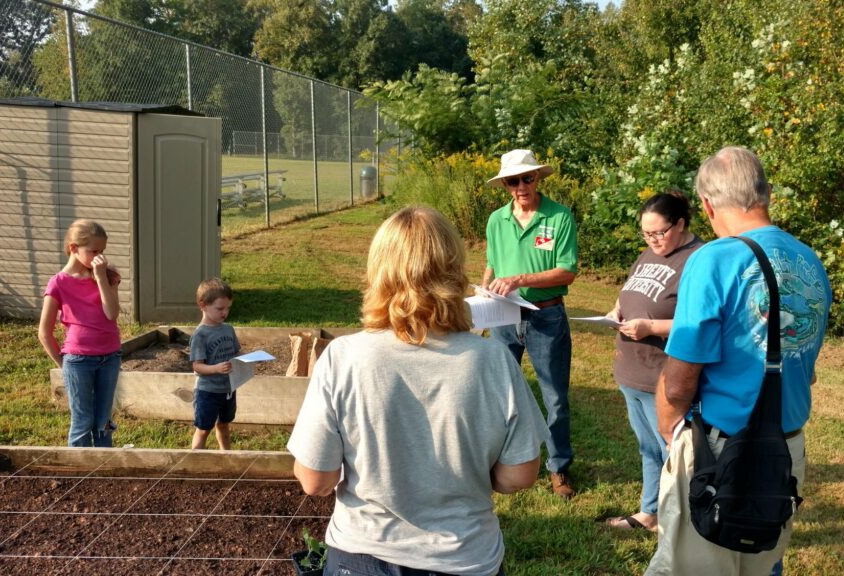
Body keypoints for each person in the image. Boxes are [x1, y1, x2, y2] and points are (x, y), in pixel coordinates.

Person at [288, 206, 548, 576]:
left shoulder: (343, 357)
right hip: (466, 557)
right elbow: (519, 476)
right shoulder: (494, 360)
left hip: (362, 556)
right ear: (454, 271)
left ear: (378, 272)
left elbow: (315, 480)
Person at [645, 147, 831, 575]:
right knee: (762, 564)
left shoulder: (713, 259)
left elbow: (678, 381)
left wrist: (671, 432)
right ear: (765, 193)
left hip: (721, 452)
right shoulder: (810, 260)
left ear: (707, 206)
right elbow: (808, 366)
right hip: (786, 450)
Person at [603, 191, 703, 532]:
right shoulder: (649, 253)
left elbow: (700, 320)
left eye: (659, 232)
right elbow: (630, 290)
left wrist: (651, 327)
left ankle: (680, 521)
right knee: (648, 448)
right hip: (631, 371)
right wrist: (616, 310)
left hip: (663, 375)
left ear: (680, 224)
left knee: (673, 455)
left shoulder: (698, 259)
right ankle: (650, 512)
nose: (652, 240)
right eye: (646, 234)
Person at [482, 149, 579, 499]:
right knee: (496, 393)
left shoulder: (559, 217)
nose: (521, 186)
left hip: (546, 316)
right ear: (505, 185)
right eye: (513, 180)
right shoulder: (497, 220)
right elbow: (492, 264)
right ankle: (496, 460)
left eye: (527, 178)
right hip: (503, 316)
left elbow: (567, 270)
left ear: (539, 178)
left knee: (554, 396)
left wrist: (520, 277)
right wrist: (484, 299)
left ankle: (559, 468)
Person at [38, 219, 122, 447]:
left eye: (102, 251)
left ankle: (103, 471)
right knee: (83, 420)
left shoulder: (106, 276)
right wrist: (63, 365)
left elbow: (111, 313)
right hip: (78, 360)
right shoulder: (58, 283)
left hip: (110, 357)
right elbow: (44, 332)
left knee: (103, 420)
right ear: (74, 248)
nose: (100, 257)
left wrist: (102, 278)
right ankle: (79, 473)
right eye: (94, 251)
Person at [190, 278, 240, 450]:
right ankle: (195, 462)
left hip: (228, 390)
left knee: (224, 425)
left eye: (228, 308)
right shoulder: (200, 335)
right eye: (220, 308)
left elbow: (236, 353)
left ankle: (227, 458)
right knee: (203, 429)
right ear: (203, 305)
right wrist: (216, 368)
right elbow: (197, 366)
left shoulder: (228, 329)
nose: (225, 312)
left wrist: (251, 358)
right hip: (207, 392)